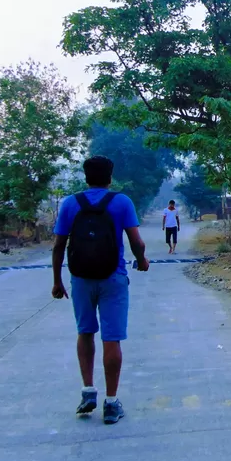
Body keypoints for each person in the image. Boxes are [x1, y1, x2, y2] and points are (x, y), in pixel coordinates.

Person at [51, 156, 149, 425]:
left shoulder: (70, 203)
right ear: (110, 177)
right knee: (111, 339)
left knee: (85, 332)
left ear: (86, 177)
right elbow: (137, 242)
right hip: (113, 278)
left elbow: (58, 246)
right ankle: (111, 402)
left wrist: (57, 281)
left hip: (80, 279)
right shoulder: (122, 202)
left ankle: (88, 391)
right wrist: (141, 261)